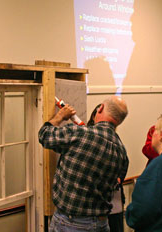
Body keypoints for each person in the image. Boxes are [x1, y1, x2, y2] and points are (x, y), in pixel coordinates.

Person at [38, 96, 129, 232]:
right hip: (101, 224)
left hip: (70, 223)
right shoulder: (121, 151)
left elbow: (44, 135)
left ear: (101, 108)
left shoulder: (80, 134)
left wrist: (60, 116)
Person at [87, 104, 125, 232]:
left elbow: (125, 163)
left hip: (114, 201)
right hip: (95, 206)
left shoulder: (116, 142)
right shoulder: (87, 138)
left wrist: (119, 177)